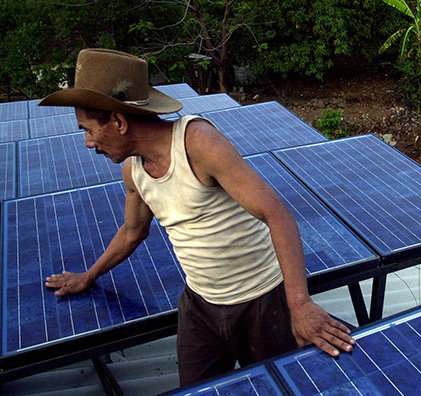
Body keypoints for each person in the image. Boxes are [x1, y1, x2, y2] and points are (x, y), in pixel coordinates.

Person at [39, 48, 354, 385]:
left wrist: (300, 303)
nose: (89, 143)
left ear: (118, 121)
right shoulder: (133, 170)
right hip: (200, 306)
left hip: (261, 301)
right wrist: (89, 275)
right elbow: (133, 231)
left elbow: (277, 215)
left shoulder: (198, 143)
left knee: (279, 386)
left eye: (88, 130)